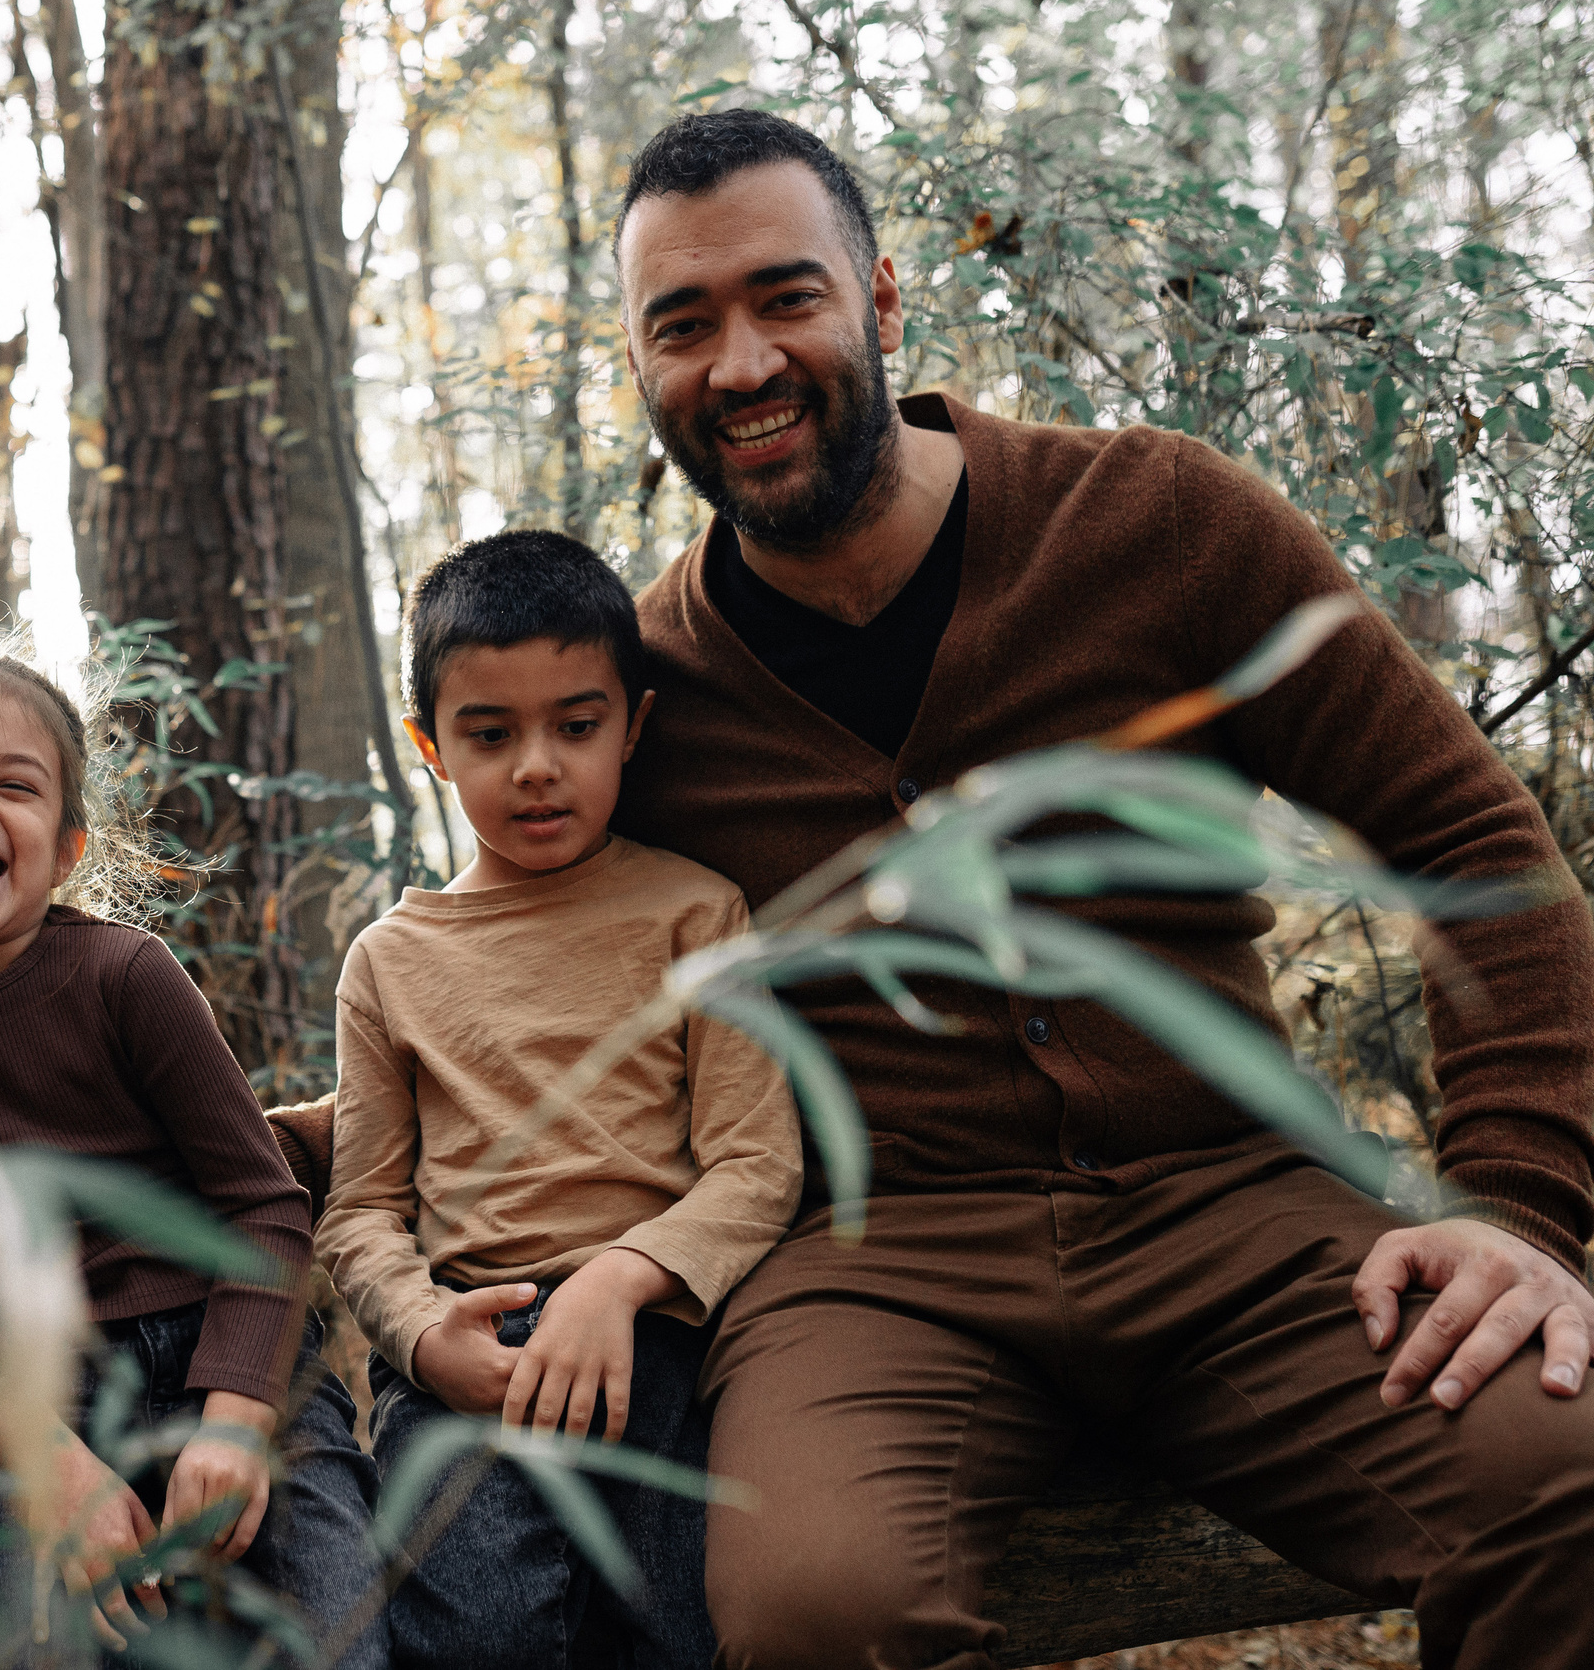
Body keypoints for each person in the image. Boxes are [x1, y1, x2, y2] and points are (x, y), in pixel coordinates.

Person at [607, 108, 1594, 1668]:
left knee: (1564, 1478)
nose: (741, 364)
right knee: (816, 1610)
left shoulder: (1159, 523)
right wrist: (300, 1140)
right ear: (639, 363)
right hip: (871, 1266)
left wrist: (1518, 1202)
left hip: (1239, 1213)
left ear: (882, 297)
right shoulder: (644, 695)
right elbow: (514, 971)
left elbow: (1472, 842)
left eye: (786, 297)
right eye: (682, 325)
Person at [0, 651, 387, 1669]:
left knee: (337, 1636)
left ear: (65, 851)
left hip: (228, 1353)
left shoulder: (124, 976)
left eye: (15, 786)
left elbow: (263, 1206)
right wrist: (53, 1468)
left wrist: (235, 1419)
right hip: (38, 1403)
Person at [315, 532, 803, 1670]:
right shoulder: (390, 961)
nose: (537, 767)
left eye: (576, 727)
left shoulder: (698, 916)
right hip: (468, 1354)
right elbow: (361, 1207)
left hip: (660, 1341)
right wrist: (423, 1334)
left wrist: (621, 1280)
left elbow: (757, 1161)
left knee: (676, 1631)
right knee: (474, 1637)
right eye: (490, 734)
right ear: (431, 746)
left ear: (632, 726)